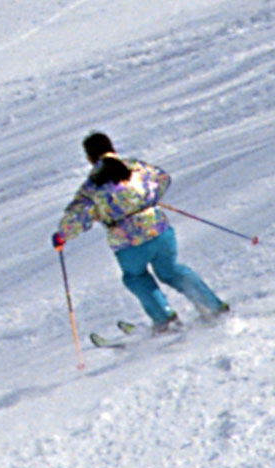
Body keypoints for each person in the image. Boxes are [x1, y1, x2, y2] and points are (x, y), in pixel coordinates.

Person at [54, 130, 228, 332]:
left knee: (136, 277)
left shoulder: (92, 186)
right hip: (160, 230)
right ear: (112, 148)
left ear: (90, 158)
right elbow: (162, 178)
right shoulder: (136, 167)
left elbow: (77, 217)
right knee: (170, 270)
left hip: (128, 242)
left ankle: (165, 319)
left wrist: (61, 236)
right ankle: (212, 306)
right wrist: (148, 198)